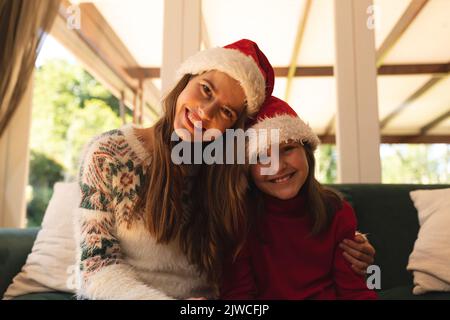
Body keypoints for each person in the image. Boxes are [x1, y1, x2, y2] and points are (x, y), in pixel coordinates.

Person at [74, 39, 374, 300]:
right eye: (205, 89)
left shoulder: (227, 170)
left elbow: (289, 218)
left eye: (227, 112)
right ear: (186, 80)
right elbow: (95, 268)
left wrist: (349, 243)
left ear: (233, 129)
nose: (205, 112)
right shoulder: (108, 154)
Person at [220, 96, 378, 299]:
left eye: (287, 149)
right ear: (247, 169)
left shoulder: (337, 211)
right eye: (260, 157)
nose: (277, 166)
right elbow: (238, 297)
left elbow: (355, 292)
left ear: (307, 153)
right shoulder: (239, 219)